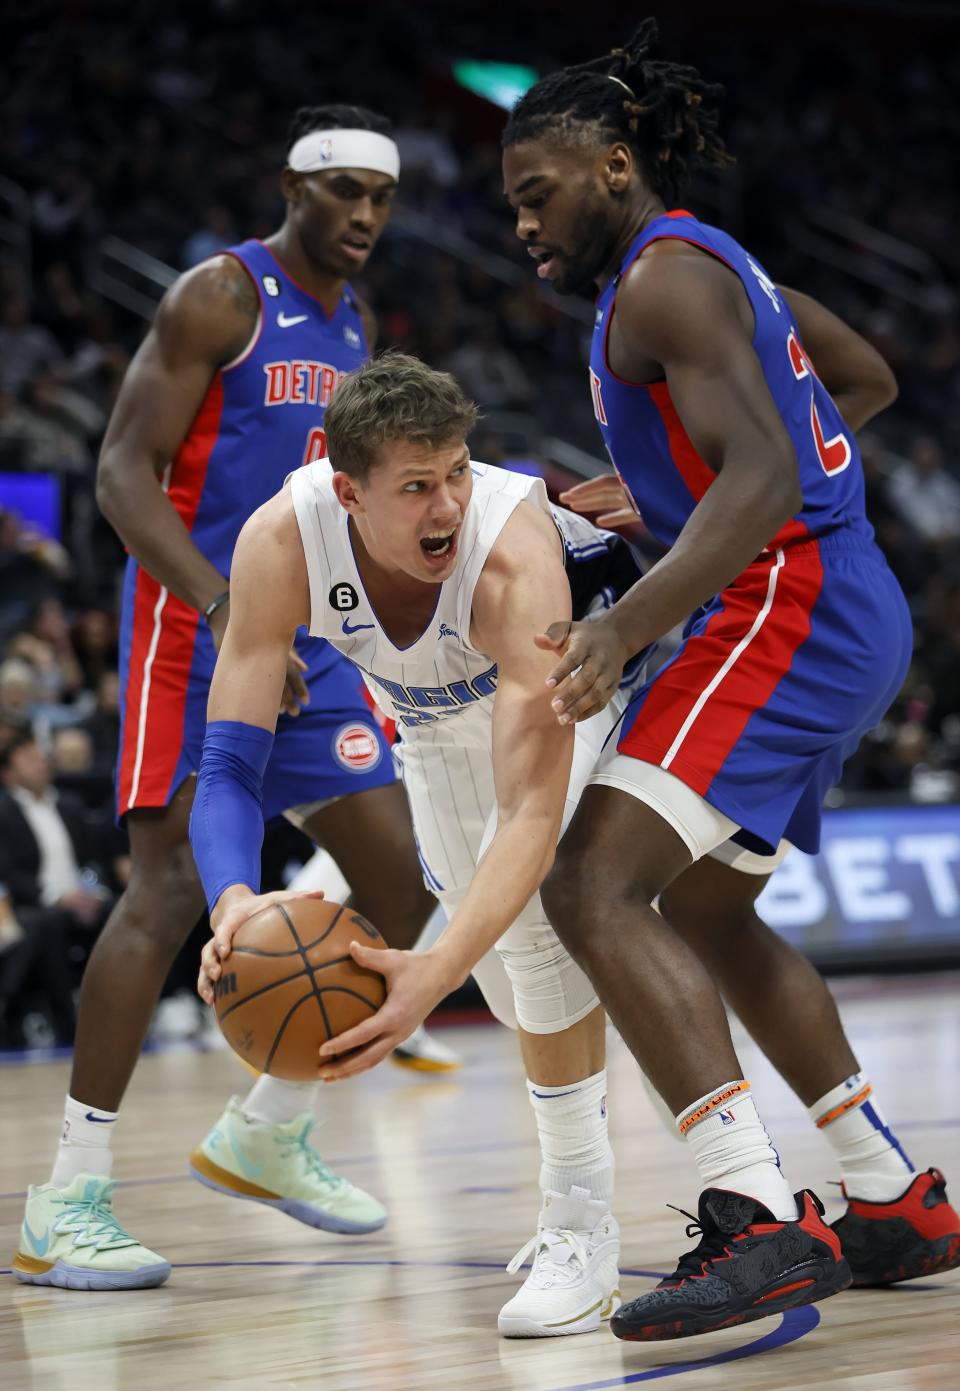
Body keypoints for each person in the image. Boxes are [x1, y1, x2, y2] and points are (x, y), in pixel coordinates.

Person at [501, 20, 960, 1341]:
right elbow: (854, 382)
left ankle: (752, 1214)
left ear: (613, 160)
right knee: (708, 910)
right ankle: (890, 1193)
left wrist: (631, 616)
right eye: (513, 208)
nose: (524, 226)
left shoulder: (660, 283)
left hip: (788, 602)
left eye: (539, 195)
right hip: (843, 599)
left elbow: (762, 477)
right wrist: (669, 494)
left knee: (593, 880)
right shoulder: (717, 266)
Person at [11, 106, 447, 1295]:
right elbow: (117, 473)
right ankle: (68, 1199)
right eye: (344, 192)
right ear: (294, 188)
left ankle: (267, 1123)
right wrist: (213, 603)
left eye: (382, 197)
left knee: (406, 883)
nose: (365, 216)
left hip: (314, 640)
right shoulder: (219, 295)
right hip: (193, 628)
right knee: (160, 896)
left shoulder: (357, 324)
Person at [193, 352, 649, 1337]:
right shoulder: (283, 540)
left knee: (536, 934)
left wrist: (430, 970)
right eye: (416, 485)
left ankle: (583, 1220)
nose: (447, 502)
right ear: (347, 490)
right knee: (508, 976)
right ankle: (579, 1193)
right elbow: (229, 765)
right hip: (427, 724)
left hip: (590, 689)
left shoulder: (508, 553)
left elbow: (531, 806)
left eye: (456, 471)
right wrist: (231, 897)